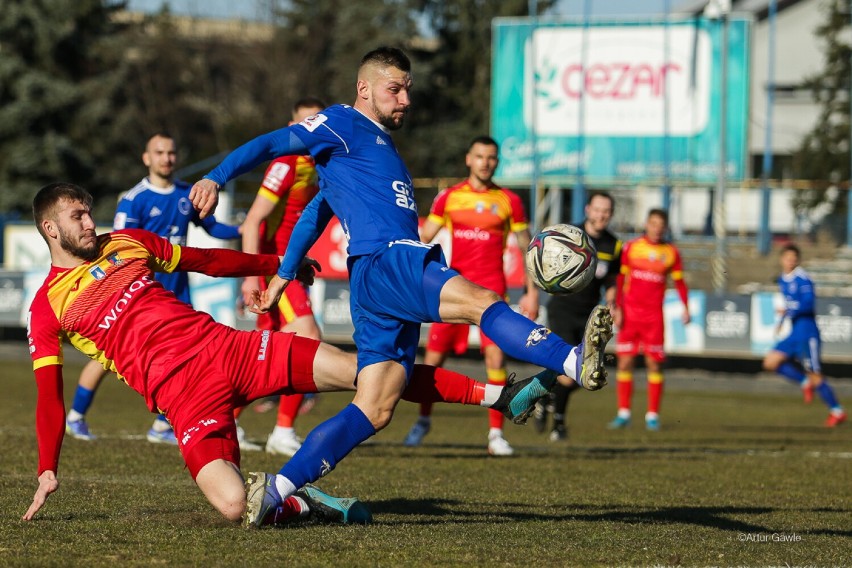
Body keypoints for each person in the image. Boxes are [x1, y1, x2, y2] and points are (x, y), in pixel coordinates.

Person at [189, 46, 613, 528]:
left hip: (369, 279)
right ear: (363, 88)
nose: (405, 99)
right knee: (483, 302)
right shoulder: (340, 122)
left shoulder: (370, 146)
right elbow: (273, 143)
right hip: (390, 258)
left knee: (375, 406)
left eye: (408, 88)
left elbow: (316, 212)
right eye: (395, 88)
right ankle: (571, 361)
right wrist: (216, 176)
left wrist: (283, 280)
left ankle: (276, 490)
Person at [24, 182, 557, 525]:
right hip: (181, 395)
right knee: (235, 506)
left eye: (89, 212)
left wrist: (279, 264)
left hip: (230, 348)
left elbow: (208, 261)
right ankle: (303, 501)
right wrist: (48, 468)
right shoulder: (48, 307)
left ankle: (501, 394)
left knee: (365, 374)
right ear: (52, 228)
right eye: (77, 216)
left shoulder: (127, 242)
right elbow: (48, 394)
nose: (89, 222)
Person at [64, 132, 243, 447]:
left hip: (178, 290)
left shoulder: (188, 194)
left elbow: (214, 228)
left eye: (171, 152)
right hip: (140, 292)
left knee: (188, 356)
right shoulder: (135, 199)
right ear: (147, 158)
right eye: (159, 152)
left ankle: (163, 424)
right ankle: (76, 415)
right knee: (110, 358)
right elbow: (117, 245)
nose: (166, 158)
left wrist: (247, 227)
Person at [402, 135, 539, 456]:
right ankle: (423, 420)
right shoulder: (448, 198)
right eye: (480, 156)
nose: (486, 162)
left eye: (492, 157)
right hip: (452, 291)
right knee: (434, 359)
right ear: (468, 159)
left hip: (492, 293)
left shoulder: (509, 201)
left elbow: (527, 249)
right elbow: (423, 239)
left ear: (497, 161)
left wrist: (532, 293)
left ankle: (495, 435)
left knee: (495, 358)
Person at [239, 97, 327, 457]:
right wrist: (250, 276)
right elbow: (252, 222)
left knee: (262, 359)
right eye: (303, 124)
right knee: (307, 336)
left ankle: (222, 420)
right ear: (292, 128)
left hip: (286, 267)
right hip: (274, 269)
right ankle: (283, 431)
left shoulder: (322, 162)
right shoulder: (287, 162)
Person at [534, 191, 622, 441]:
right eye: (597, 209)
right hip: (562, 310)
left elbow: (612, 280)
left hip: (588, 315)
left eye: (606, 211)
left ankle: (546, 400)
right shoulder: (569, 235)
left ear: (611, 215)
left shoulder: (613, 245)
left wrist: (613, 302)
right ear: (587, 210)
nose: (601, 215)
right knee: (569, 374)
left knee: (584, 375)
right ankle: (559, 424)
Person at [608, 208, 689, 432]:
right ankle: (623, 413)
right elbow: (621, 279)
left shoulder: (671, 252)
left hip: (654, 317)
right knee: (625, 362)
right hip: (630, 315)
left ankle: (652, 415)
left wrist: (686, 307)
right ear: (647, 224)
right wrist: (618, 308)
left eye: (661, 225)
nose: (656, 228)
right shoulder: (632, 248)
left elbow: (680, 283)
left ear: (665, 228)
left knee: (654, 363)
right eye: (653, 223)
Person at [762, 244, 846, 427]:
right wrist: (782, 320)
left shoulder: (803, 278)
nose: (790, 261)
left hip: (808, 333)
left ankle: (837, 410)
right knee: (770, 361)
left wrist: (788, 310)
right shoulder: (783, 280)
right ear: (782, 259)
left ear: (798, 260)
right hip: (795, 332)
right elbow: (790, 305)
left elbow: (808, 304)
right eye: (787, 258)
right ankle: (804, 381)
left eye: (794, 258)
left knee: (816, 375)